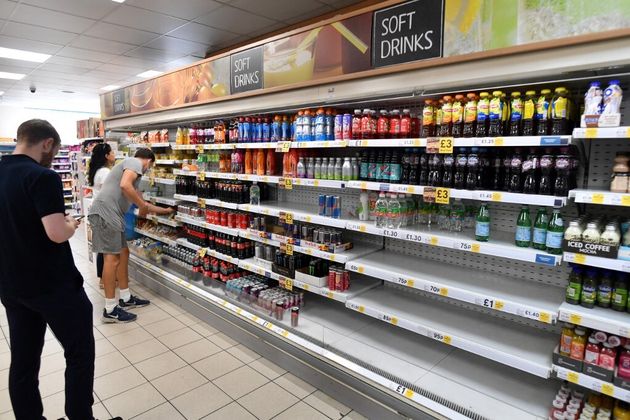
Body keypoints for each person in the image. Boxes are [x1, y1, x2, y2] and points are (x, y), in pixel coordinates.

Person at [0, 120, 106, 419]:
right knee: (79, 354)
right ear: (47, 143)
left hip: (12, 284)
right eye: (54, 149)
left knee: (23, 360)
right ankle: (80, 416)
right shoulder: (42, 177)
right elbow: (56, 233)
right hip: (52, 285)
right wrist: (71, 224)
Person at [88, 148, 173, 323]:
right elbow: (125, 186)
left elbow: (144, 204)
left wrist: (166, 211)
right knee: (111, 259)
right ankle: (110, 309)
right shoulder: (134, 162)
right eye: (150, 167)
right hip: (105, 214)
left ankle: (125, 298)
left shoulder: (132, 177)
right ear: (149, 162)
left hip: (112, 216)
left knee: (123, 253)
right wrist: (141, 205)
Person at [87, 143, 116, 289]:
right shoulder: (104, 172)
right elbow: (109, 193)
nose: (114, 155)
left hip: (98, 211)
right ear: (106, 156)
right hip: (104, 213)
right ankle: (104, 280)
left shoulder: (98, 170)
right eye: (112, 152)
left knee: (103, 248)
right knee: (106, 249)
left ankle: (103, 279)